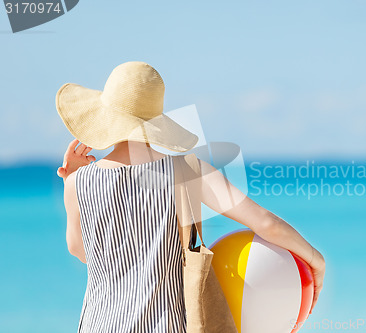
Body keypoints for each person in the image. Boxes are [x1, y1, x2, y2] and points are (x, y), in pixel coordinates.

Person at [56, 61, 325, 332]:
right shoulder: (186, 172)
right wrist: (316, 260)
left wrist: (71, 178)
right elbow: (266, 224)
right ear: (156, 120)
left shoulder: (78, 182)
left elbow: (80, 251)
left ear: (106, 115)